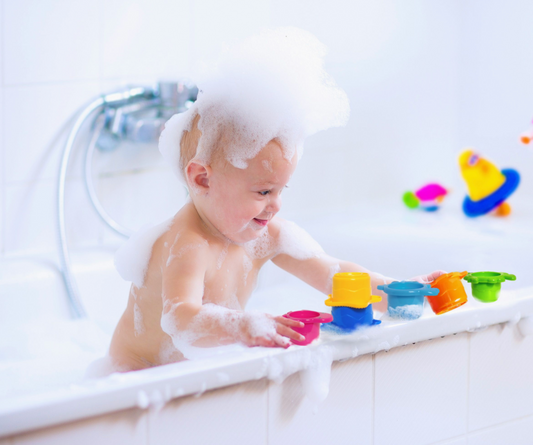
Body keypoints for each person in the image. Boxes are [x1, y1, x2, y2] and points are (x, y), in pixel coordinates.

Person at [107, 28, 444, 372]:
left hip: (188, 372)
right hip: (134, 373)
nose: (276, 205)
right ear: (203, 179)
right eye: (264, 191)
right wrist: (241, 325)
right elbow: (181, 319)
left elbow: (336, 275)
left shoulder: (266, 236)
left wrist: (397, 291)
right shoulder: (188, 244)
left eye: (282, 190)